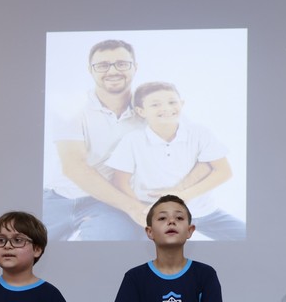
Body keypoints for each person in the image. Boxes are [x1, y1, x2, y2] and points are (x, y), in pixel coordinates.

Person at [105, 81, 246, 240]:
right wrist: (142, 211)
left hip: (203, 212)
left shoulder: (199, 133)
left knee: (247, 237)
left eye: (172, 102)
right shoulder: (132, 140)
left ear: (182, 104)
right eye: (155, 104)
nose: (166, 108)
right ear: (141, 111)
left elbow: (223, 172)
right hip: (156, 215)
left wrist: (183, 195)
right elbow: (120, 182)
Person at [43, 39, 151, 241]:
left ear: (135, 67)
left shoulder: (151, 109)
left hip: (107, 202)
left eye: (122, 64)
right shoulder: (72, 107)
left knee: (107, 246)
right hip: (58, 196)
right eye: (102, 65)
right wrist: (132, 207)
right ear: (90, 70)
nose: (113, 71)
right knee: (20, 249)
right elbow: (74, 166)